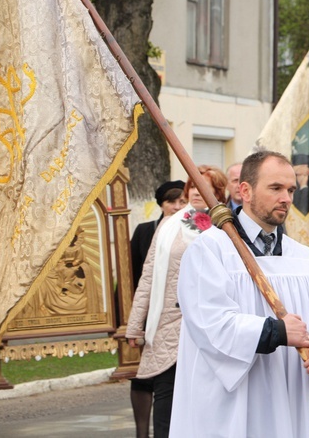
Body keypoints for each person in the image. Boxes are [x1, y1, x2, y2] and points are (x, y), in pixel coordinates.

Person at [169, 151, 309, 437]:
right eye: (275, 188)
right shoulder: (210, 250)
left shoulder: (302, 257)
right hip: (230, 403)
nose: (286, 198)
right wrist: (277, 332)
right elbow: (211, 324)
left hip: (288, 395)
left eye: (290, 190)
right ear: (245, 191)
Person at [126, 166, 227, 438]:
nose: (195, 191)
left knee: (205, 404)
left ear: (217, 192)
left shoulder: (227, 225)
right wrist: (135, 325)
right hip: (168, 324)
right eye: (192, 186)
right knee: (166, 403)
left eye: (204, 186)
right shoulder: (171, 224)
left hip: (208, 326)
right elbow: (148, 275)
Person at [127, 180, 185, 438]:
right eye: (171, 201)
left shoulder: (195, 227)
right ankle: (142, 432)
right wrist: (133, 320)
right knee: (144, 379)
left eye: (182, 201)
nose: (177, 206)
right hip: (150, 313)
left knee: (169, 385)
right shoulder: (146, 229)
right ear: (161, 204)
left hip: (175, 315)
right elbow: (139, 275)